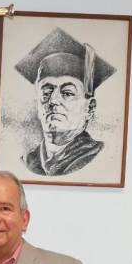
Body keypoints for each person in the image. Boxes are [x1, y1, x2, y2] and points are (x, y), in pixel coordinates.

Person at [15, 27, 116, 176]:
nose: (53, 100)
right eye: (47, 92)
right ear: (38, 105)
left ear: (90, 108)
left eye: (67, 93)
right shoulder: (29, 161)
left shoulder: (94, 155)